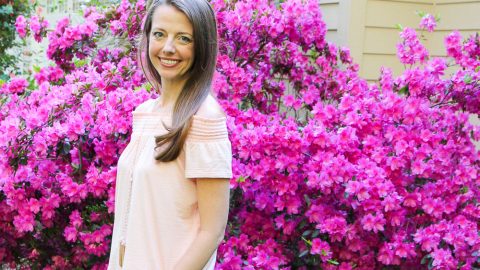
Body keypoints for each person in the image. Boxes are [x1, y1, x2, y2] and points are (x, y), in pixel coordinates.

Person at [107, 0, 232, 269]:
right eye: (160, 34)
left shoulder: (204, 119)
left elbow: (212, 232)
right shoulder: (145, 114)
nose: (168, 48)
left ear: (202, 46)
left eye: (184, 38)